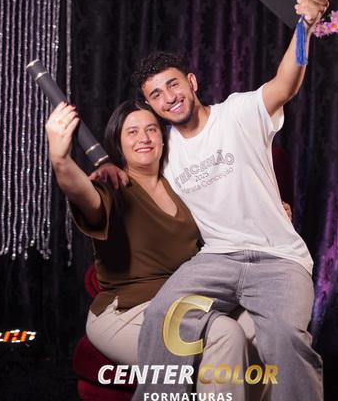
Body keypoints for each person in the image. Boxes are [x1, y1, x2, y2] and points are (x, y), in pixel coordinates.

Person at [92, 0, 330, 401]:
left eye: (173, 85)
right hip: (216, 260)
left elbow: (285, 84)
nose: (168, 98)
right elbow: (134, 177)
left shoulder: (237, 112)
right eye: (156, 95)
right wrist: (107, 166)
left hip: (278, 259)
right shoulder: (163, 151)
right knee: (165, 314)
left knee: (286, 339)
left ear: (191, 81)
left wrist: (305, 26)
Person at [45, 99, 267, 400]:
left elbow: (228, 217)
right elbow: (82, 193)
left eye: (151, 129)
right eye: (132, 132)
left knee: (260, 327)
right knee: (223, 333)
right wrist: (61, 160)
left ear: (163, 138)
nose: (144, 138)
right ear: (118, 143)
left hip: (186, 302)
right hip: (127, 313)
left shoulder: (180, 183)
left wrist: (270, 212)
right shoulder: (112, 185)